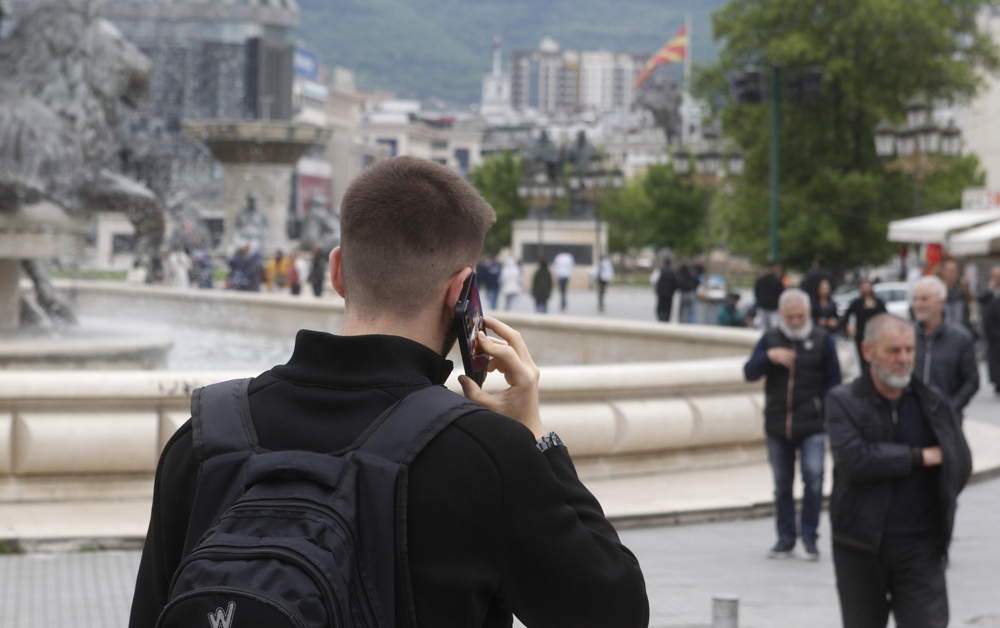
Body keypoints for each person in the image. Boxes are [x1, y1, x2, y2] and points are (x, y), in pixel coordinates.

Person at [128, 156, 648, 628]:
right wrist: (534, 435)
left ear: (336, 271)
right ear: (461, 293)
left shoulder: (203, 436)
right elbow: (616, 612)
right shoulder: (485, 452)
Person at [826, 314, 972, 628]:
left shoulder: (933, 402)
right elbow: (855, 459)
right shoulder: (843, 401)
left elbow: (959, 461)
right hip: (860, 546)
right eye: (893, 350)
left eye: (909, 349)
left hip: (921, 548)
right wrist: (918, 458)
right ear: (868, 351)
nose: (903, 359)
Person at [743, 288, 841, 560]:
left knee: (814, 479)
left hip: (812, 425)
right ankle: (785, 538)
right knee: (782, 484)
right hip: (777, 425)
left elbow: (835, 383)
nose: (796, 321)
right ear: (781, 316)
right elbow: (749, 372)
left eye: (800, 316)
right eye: (790, 316)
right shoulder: (771, 338)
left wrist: (821, 408)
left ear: (808, 313)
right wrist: (768, 357)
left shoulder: (823, 340)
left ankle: (809, 537)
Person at [911, 276, 979, 420]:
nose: (918, 304)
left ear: (941, 302)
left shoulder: (960, 338)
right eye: (915, 299)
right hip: (912, 418)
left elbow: (972, 380)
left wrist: (951, 407)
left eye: (924, 299)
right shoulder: (907, 336)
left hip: (947, 421)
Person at [840, 279, 887, 373]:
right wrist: (849, 326)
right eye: (864, 286)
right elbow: (846, 315)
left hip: (876, 334)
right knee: (864, 358)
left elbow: (885, 316)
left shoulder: (878, 302)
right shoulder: (857, 303)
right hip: (862, 334)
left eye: (867, 286)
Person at [979, 266, 1000, 394]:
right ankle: (997, 382)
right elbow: (980, 299)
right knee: (994, 360)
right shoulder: (989, 290)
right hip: (992, 333)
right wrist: (991, 287)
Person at [939, 258, 973, 332]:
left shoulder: (961, 291)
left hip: (960, 331)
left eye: (955, 271)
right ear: (943, 272)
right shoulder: (938, 291)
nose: (953, 274)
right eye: (950, 271)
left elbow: (967, 311)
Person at [754, 260, 784, 331]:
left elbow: (756, 292)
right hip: (773, 307)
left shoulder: (760, 279)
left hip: (762, 305)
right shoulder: (777, 280)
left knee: (761, 326)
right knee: (774, 326)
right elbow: (781, 294)